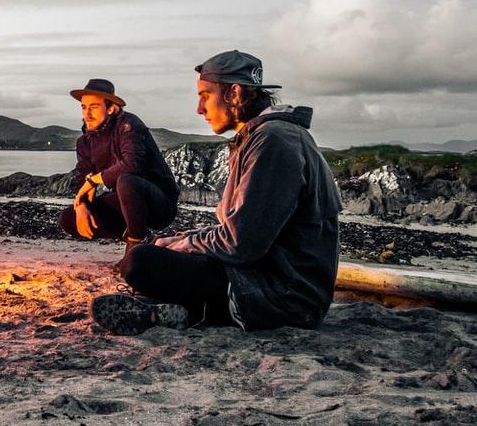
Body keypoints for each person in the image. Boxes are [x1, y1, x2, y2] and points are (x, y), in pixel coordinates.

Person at [91, 50, 341, 335]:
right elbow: (242, 230)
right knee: (154, 251)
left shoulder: (274, 141)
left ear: (234, 93)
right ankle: (185, 311)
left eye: (205, 96)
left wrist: (183, 245)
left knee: (140, 262)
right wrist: (181, 239)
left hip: (284, 296)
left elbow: (240, 244)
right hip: (264, 278)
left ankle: (192, 309)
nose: (199, 109)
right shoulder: (262, 137)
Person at [59, 78, 180, 253]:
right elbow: (82, 179)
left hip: (158, 202)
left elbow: (132, 164)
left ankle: (136, 244)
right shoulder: (84, 142)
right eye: (84, 107)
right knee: (68, 218)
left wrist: (94, 181)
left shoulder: (128, 125)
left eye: (93, 107)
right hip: (126, 203)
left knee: (127, 181)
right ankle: (141, 237)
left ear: (111, 108)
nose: (87, 114)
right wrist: (82, 206)